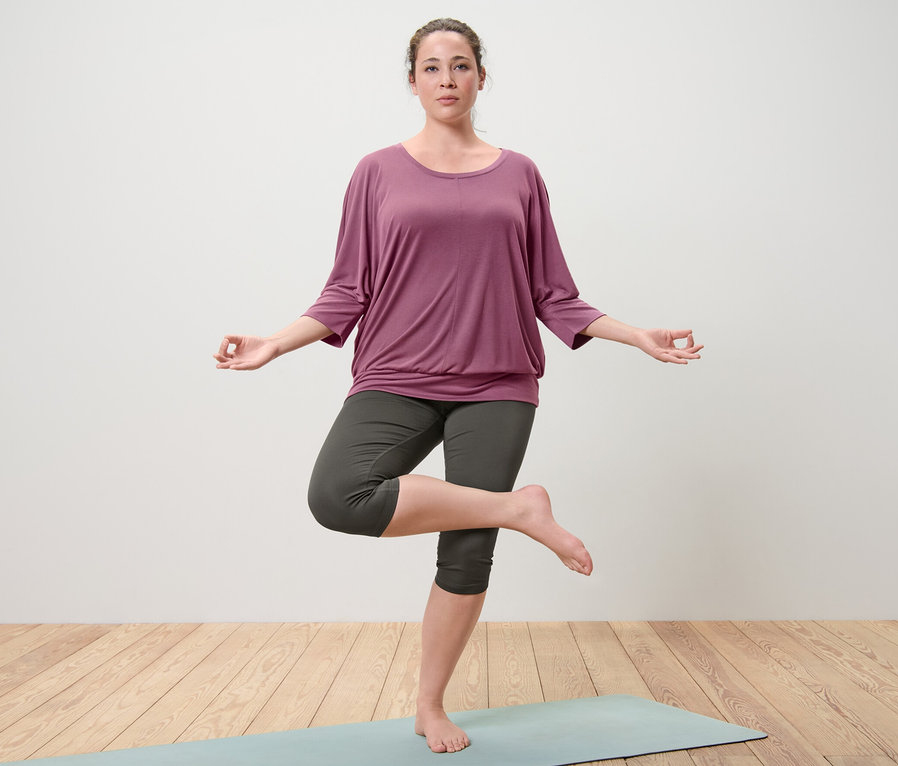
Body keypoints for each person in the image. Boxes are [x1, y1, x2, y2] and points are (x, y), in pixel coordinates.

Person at [213, 17, 702, 754]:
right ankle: (519, 508)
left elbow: (553, 292)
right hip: (396, 375)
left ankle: (429, 705)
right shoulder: (376, 171)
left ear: (481, 77)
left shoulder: (520, 174)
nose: (447, 79)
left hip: (499, 381)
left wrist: (635, 334)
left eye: (461, 65)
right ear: (411, 81)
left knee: (467, 551)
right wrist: (274, 343)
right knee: (338, 495)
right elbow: (347, 288)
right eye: (432, 67)